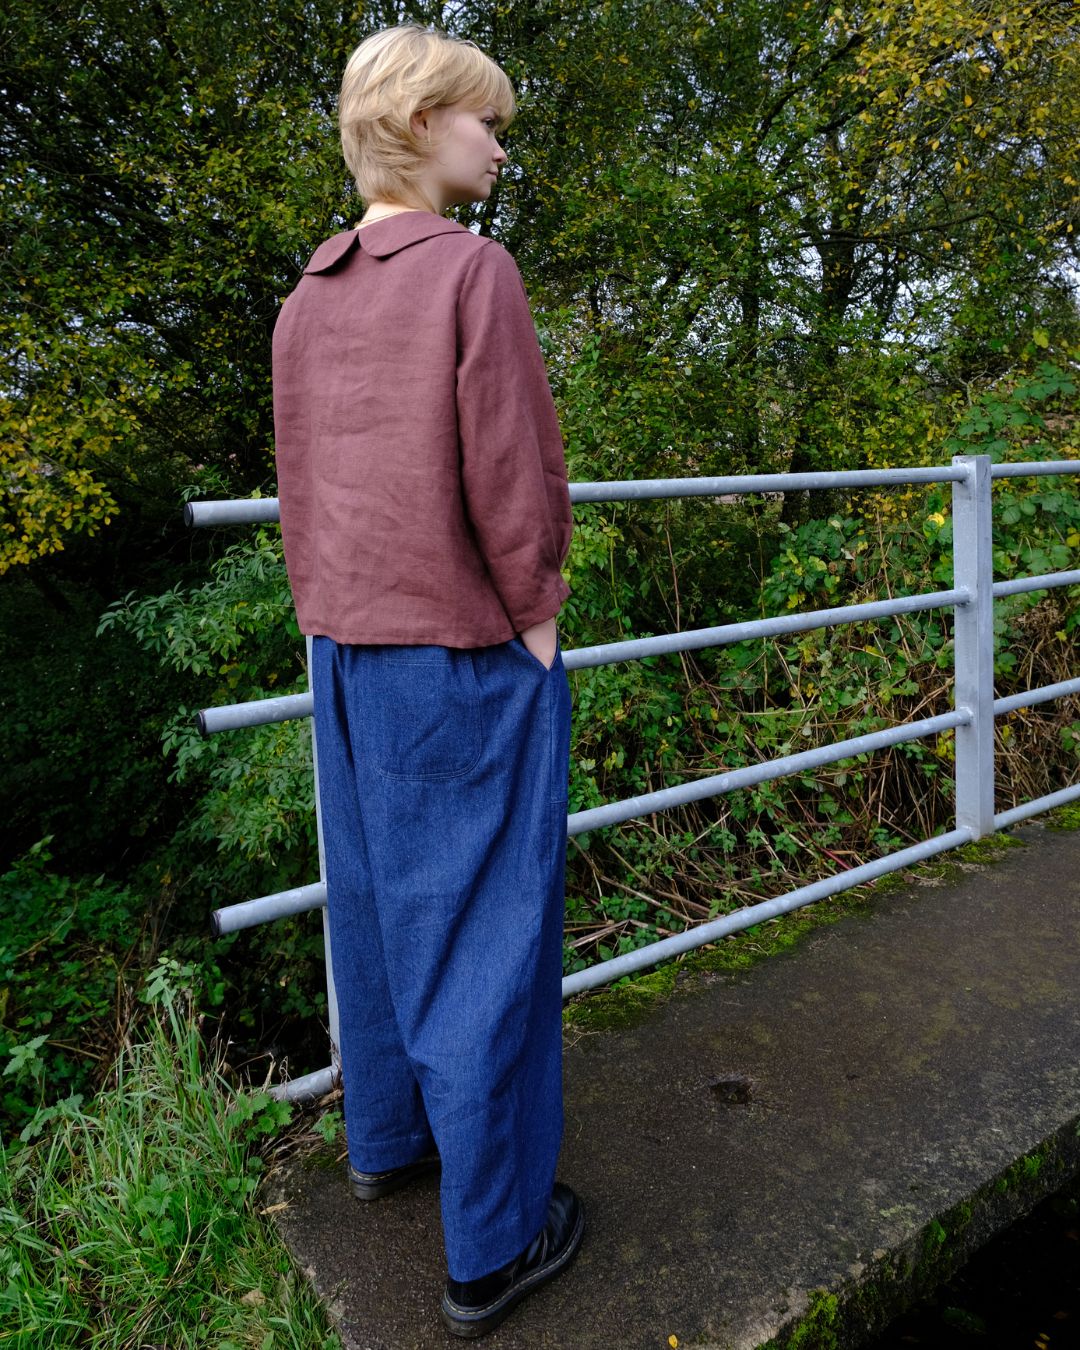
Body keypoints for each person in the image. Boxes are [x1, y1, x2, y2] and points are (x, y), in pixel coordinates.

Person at [271, 23, 583, 1340]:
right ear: (419, 123)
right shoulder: (472, 274)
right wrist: (541, 617)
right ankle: (494, 1242)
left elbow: (302, 488)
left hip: (344, 655)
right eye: (483, 119)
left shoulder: (310, 296)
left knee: (383, 918)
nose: (498, 143)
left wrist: (327, 620)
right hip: (459, 657)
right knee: (487, 942)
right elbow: (513, 477)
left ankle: (388, 1144)